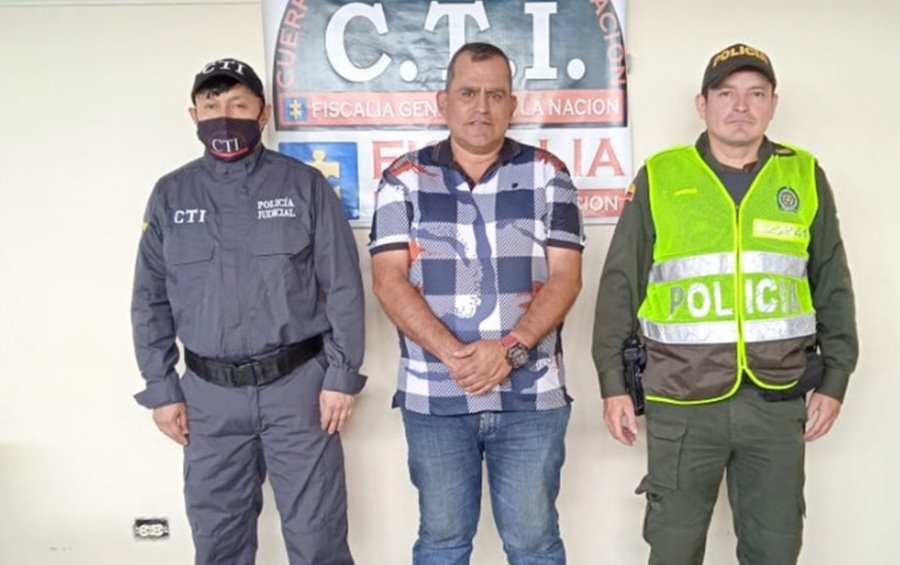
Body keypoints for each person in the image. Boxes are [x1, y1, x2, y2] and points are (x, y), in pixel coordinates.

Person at [592, 43, 858, 564]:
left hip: (776, 400)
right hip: (682, 401)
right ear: (703, 104)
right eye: (726, 93)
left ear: (773, 104)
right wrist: (612, 384)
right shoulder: (661, 176)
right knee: (673, 549)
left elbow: (832, 282)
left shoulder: (803, 176)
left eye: (756, 94)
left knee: (775, 549)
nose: (741, 106)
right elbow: (620, 284)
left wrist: (836, 378)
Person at [131, 57, 365, 565]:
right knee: (219, 541)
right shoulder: (171, 195)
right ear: (193, 115)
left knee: (319, 538)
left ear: (263, 114)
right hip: (208, 397)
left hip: (299, 392)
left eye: (239, 105)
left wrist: (341, 376)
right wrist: (161, 388)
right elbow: (149, 298)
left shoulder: (304, 186)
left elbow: (343, 286)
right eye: (211, 105)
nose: (224, 117)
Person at [369, 42, 584, 565]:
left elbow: (566, 278)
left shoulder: (549, 174)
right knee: (442, 544)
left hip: (531, 398)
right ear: (443, 102)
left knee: (535, 546)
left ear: (513, 105)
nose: (481, 107)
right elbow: (388, 281)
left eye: (495, 95)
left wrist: (509, 350)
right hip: (435, 397)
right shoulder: (403, 178)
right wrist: (455, 356)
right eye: (468, 93)